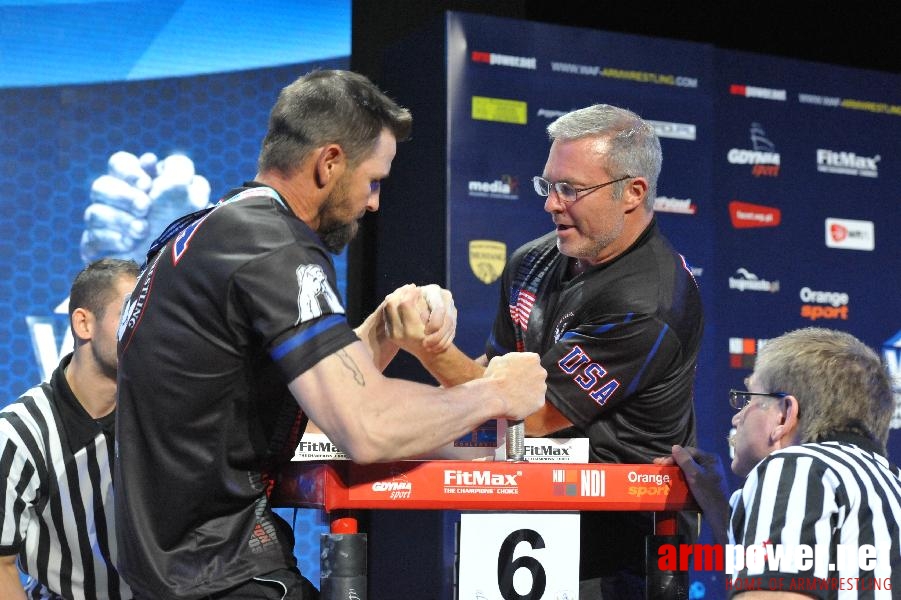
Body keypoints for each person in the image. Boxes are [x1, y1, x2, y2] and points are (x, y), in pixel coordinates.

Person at [113, 68, 547, 600]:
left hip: (179, 571)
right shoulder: (273, 245)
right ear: (329, 162)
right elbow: (363, 427)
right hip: (219, 573)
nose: (374, 203)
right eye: (373, 181)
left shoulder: (213, 227)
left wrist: (385, 327)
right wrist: (496, 392)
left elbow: (316, 398)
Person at [387, 103, 704, 598]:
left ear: (633, 192)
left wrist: (428, 346)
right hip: (518, 516)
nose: (551, 205)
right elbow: (489, 382)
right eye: (547, 185)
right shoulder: (532, 261)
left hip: (618, 551)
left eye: (570, 190)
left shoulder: (650, 301)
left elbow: (529, 415)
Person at [659, 327, 900, 598]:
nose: (737, 417)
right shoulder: (891, 481)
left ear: (785, 415)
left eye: (748, 399)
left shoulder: (799, 467)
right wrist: (718, 509)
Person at [0, 258, 138, 600]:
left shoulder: (161, 416)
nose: (146, 330)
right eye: (132, 315)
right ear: (83, 323)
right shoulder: (20, 435)